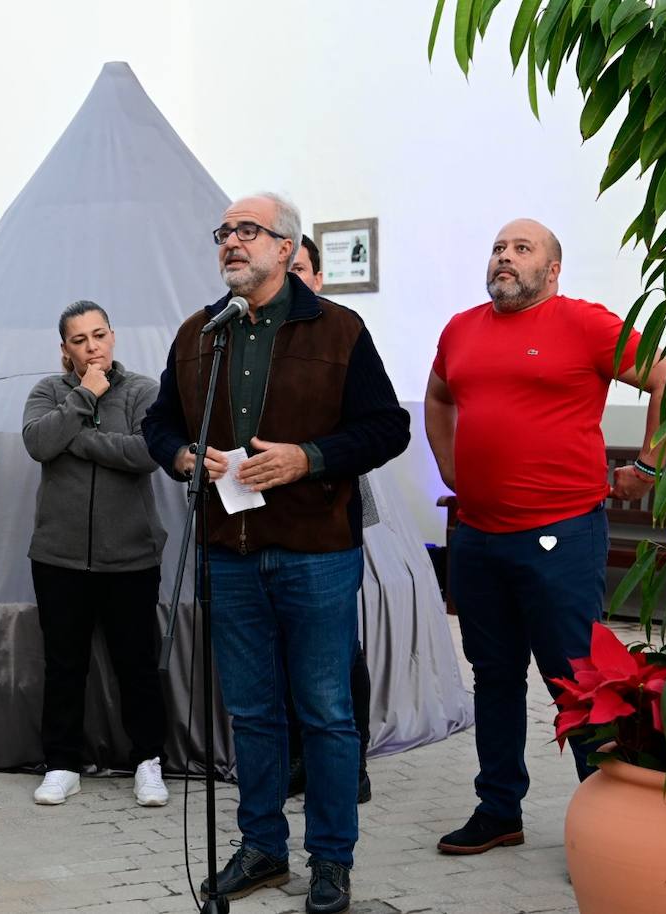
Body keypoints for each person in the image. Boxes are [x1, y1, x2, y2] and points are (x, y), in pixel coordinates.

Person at [143, 193, 410, 914]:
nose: (231, 242)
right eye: (224, 232)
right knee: (253, 713)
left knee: (325, 713)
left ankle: (331, 860)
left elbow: (388, 429)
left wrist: (308, 458)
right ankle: (261, 847)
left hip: (316, 553)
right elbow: (159, 422)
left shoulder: (340, 329)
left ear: (288, 248)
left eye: (247, 231)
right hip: (227, 554)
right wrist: (180, 458)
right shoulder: (201, 332)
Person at [426, 218, 666, 855]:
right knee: (495, 674)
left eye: (521, 249)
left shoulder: (584, 323)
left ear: (553, 269)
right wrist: (451, 466)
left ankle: (608, 822)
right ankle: (499, 808)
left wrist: (648, 465)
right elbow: (438, 395)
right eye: (498, 248)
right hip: (479, 536)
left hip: (562, 533)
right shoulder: (461, 329)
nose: (505, 257)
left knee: (578, 677)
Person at [22, 300, 170, 808]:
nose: (92, 347)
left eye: (99, 335)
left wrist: (79, 440)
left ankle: (149, 762)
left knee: (137, 664)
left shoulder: (144, 390)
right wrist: (85, 396)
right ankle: (61, 764)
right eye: (80, 340)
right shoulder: (48, 392)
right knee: (65, 665)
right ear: (65, 349)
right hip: (58, 556)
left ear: (113, 336)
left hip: (131, 555)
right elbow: (39, 444)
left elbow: (146, 454)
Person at [288, 235, 373, 804]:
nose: (289, 278)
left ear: (318, 278)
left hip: (330, 507)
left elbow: (376, 426)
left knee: (338, 648)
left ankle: (352, 763)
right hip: (265, 518)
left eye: (298, 268)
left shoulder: (342, 331)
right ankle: (297, 759)